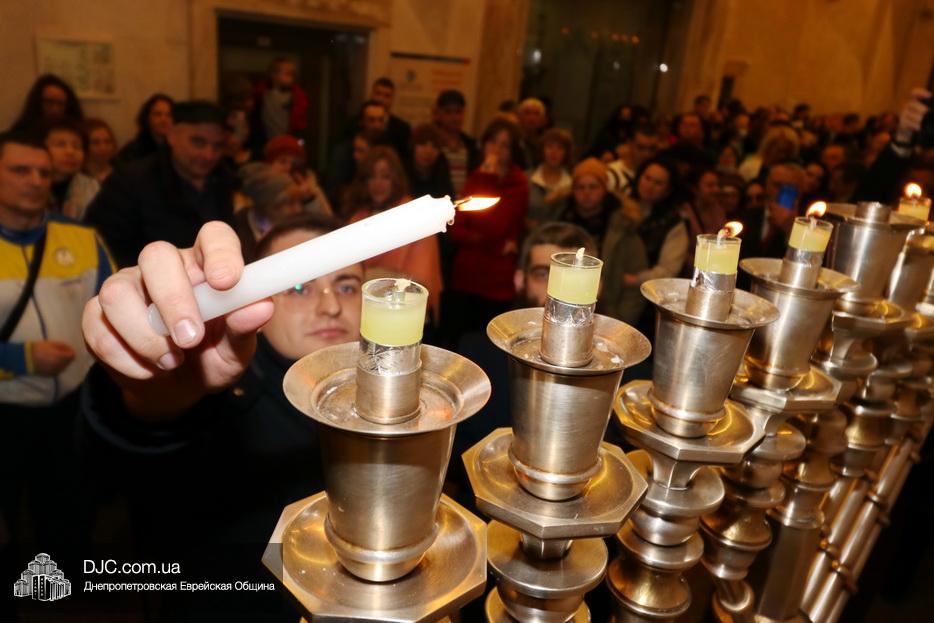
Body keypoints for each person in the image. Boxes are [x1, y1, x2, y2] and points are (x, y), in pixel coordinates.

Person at [79, 215, 362, 621]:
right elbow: (123, 459)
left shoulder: (396, 387)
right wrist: (148, 395)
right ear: (258, 295)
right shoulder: (222, 393)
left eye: (347, 286)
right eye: (300, 286)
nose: (331, 306)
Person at [0, 129, 113, 615]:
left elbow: (116, 315)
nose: (35, 180)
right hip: (5, 414)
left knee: (68, 518)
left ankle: (63, 602)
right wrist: (21, 359)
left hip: (71, 410)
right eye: (20, 170)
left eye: (44, 172)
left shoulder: (82, 239)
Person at [85, 101, 235, 267]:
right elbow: (102, 248)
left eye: (217, 146)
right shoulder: (129, 182)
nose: (208, 155)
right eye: (198, 142)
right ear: (172, 136)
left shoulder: (224, 180)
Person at [445, 118, 529, 344]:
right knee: (457, 339)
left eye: (504, 145)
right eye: (492, 142)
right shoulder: (477, 176)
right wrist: (494, 244)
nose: (496, 150)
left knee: (487, 343)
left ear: (513, 151)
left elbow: (494, 226)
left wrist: (488, 179)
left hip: (495, 281)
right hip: (466, 275)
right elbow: (456, 229)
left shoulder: (518, 184)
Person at [345, 146, 442, 324]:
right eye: (371, 176)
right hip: (363, 315)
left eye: (385, 177)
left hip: (404, 316)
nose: (378, 184)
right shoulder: (358, 217)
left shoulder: (416, 216)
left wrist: (369, 277)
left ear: (396, 180)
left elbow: (418, 284)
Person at [233, 162, 304, 262]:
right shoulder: (240, 234)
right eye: (289, 203)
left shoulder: (298, 224)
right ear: (267, 206)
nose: (298, 209)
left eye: (299, 201)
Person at [44, 120, 100, 220]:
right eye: (60, 145)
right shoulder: (31, 183)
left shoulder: (90, 187)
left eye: (77, 146)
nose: (70, 152)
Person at [264, 134, 331, 217]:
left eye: (294, 163)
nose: (288, 167)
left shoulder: (312, 189)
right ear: (269, 164)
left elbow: (324, 221)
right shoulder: (260, 189)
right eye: (282, 161)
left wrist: (308, 199)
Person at [251, 57, 309, 149]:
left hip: (290, 136)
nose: (290, 77)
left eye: (291, 74)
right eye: (287, 74)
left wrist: (299, 142)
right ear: (273, 75)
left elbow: (300, 120)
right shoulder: (262, 92)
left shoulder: (297, 95)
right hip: (265, 137)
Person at [433, 89, 481, 197]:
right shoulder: (432, 145)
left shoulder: (471, 145)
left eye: (458, 112)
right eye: (448, 112)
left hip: (466, 203)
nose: (454, 118)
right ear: (439, 113)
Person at [527, 127, 573, 228]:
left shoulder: (572, 185)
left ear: (566, 153)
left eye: (560, 148)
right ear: (542, 150)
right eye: (549, 146)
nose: (554, 152)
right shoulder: (526, 179)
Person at [9, 74, 83, 132]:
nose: (55, 109)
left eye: (60, 104)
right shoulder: (20, 136)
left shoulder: (78, 135)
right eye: (49, 102)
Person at [115, 93, 174, 164]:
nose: (163, 120)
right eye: (158, 114)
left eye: (169, 115)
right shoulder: (133, 151)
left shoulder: (178, 149)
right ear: (147, 118)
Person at [404, 123, 455, 199]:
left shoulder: (441, 171)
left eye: (435, 146)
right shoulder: (402, 172)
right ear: (413, 146)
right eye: (423, 144)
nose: (428, 151)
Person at [607, 125, 659, 195]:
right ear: (629, 143)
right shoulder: (610, 174)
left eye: (652, 148)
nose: (647, 154)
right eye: (641, 147)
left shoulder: (658, 175)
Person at [368, 76, 411, 157]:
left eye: (387, 96)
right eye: (378, 94)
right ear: (371, 95)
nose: (381, 99)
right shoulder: (355, 123)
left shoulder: (402, 129)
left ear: (392, 99)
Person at [516, 97, 549, 169]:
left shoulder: (545, 145)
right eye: (527, 113)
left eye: (536, 114)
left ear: (542, 120)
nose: (532, 118)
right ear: (519, 117)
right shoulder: (512, 140)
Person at [82, 118, 118, 182]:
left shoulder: (123, 173)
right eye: (95, 143)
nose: (103, 148)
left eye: (107, 142)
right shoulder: (77, 177)